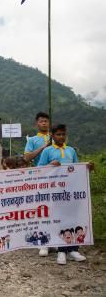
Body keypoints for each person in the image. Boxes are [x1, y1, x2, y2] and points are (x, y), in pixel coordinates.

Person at [38, 124, 92, 265]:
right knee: (60, 220)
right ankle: (61, 251)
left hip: (71, 191)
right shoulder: (47, 151)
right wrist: (50, 164)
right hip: (56, 192)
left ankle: (73, 249)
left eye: (63, 134)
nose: (61, 137)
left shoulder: (71, 151)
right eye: (58, 134)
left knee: (73, 219)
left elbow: (76, 168)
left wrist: (86, 168)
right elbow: (39, 170)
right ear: (53, 136)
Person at [24, 111, 51, 257]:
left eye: (46, 121)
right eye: (41, 121)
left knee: (55, 209)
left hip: (56, 179)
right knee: (42, 210)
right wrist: (44, 147)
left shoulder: (56, 137)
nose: (44, 123)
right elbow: (27, 157)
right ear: (37, 123)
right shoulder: (32, 140)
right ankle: (44, 242)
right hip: (39, 178)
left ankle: (57, 242)